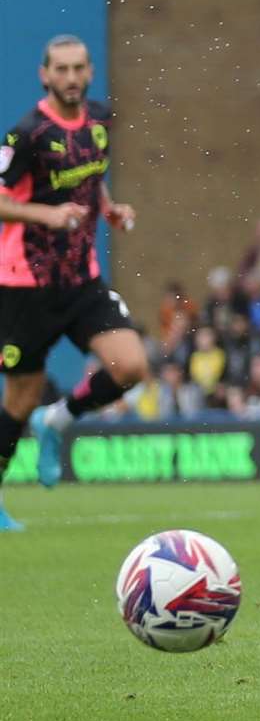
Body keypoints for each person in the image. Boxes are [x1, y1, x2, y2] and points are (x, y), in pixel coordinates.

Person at [0, 36, 145, 528]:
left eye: (79, 68)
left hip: (82, 279)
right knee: (19, 398)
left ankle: (57, 419)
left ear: (90, 71)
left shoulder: (100, 120)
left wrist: (109, 209)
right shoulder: (26, 135)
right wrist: (48, 214)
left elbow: (90, 175)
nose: (71, 78)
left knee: (131, 365)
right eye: (60, 69)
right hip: (26, 284)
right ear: (44, 74)